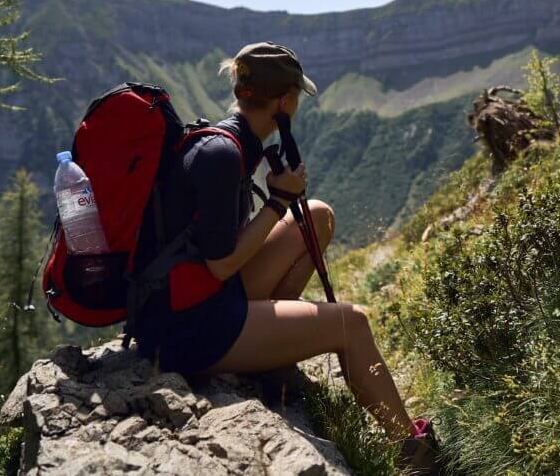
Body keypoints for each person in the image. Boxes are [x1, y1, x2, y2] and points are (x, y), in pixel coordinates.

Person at [133, 41, 439, 474]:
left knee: (316, 217)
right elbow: (221, 263)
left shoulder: (229, 140)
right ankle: (415, 454)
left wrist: (285, 199)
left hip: (192, 298)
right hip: (191, 329)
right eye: (296, 96)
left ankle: (272, 361)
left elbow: (213, 254)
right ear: (284, 101)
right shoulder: (222, 156)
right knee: (352, 324)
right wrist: (278, 201)